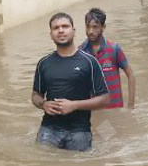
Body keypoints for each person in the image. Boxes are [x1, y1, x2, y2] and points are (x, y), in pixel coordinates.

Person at [31, 12, 110, 151]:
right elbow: (35, 95)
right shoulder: (43, 63)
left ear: (73, 31)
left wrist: (74, 105)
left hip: (79, 131)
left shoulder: (90, 62)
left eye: (65, 26)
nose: (60, 30)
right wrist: (43, 104)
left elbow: (105, 99)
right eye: (56, 28)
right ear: (51, 34)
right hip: (48, 129)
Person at [81, 7, 135, 110]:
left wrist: (131, 107)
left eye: (95, 27)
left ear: (103, 27)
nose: (91, 31)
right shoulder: (81, 52)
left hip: (115, 109)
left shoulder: (114, 49)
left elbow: (131, 75)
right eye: (88, 27)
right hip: (93, 112)